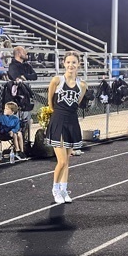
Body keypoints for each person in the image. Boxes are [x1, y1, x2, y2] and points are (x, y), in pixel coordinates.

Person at [45, 51, 87, 204]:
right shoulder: (57, 80)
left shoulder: (82, 85)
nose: (71, 65)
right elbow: (50, 101)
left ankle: (64, 189)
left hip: (72, 121)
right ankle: (55, 189)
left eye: (74, 62)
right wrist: (54, 116)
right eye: (68, 62)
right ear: (64, 64)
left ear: (79, 65)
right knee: (61, 161)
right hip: (58, 121)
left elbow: (77, 103)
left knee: (67, 161)